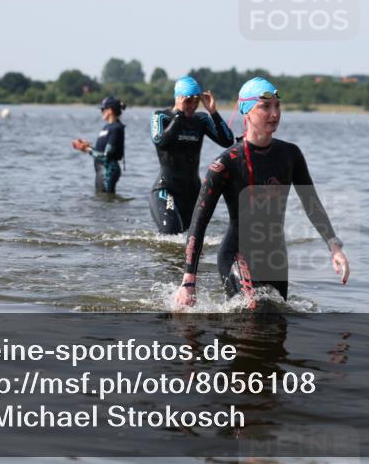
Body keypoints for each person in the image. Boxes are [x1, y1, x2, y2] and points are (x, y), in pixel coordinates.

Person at [173, 77, 350, 309]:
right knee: (253, 312)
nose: (274, 114)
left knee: (276, 320)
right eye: (265, 107)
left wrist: (334, 247)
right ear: (246, 111)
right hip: (237, 254)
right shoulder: (227, 162)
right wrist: (189, 280)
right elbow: (199, 220)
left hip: (275, 258)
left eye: (277, 106)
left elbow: (311, 203)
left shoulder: (291, 155)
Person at [149, 76, 234, 234]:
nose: (193, 106)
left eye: (196, 101)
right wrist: (179, 114)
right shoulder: (161, 117)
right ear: (178, 98)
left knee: (191, 240)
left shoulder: (201, 120)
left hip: (192, 192)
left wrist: (213, 112)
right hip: (167, 189)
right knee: (170, 232)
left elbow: (227, 141)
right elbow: (161, 142)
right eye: (188, 101)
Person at [72, 97, 126, 194]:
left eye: (102, 109)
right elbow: (100, 151)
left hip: (108, 171)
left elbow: (106, 156)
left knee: (104, 198)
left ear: (110, 110)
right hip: (101, 169)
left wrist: (87, 149)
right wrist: (85, 147)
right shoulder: (107, 127)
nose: (101, 112)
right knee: (101, 199)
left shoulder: (116, 128)